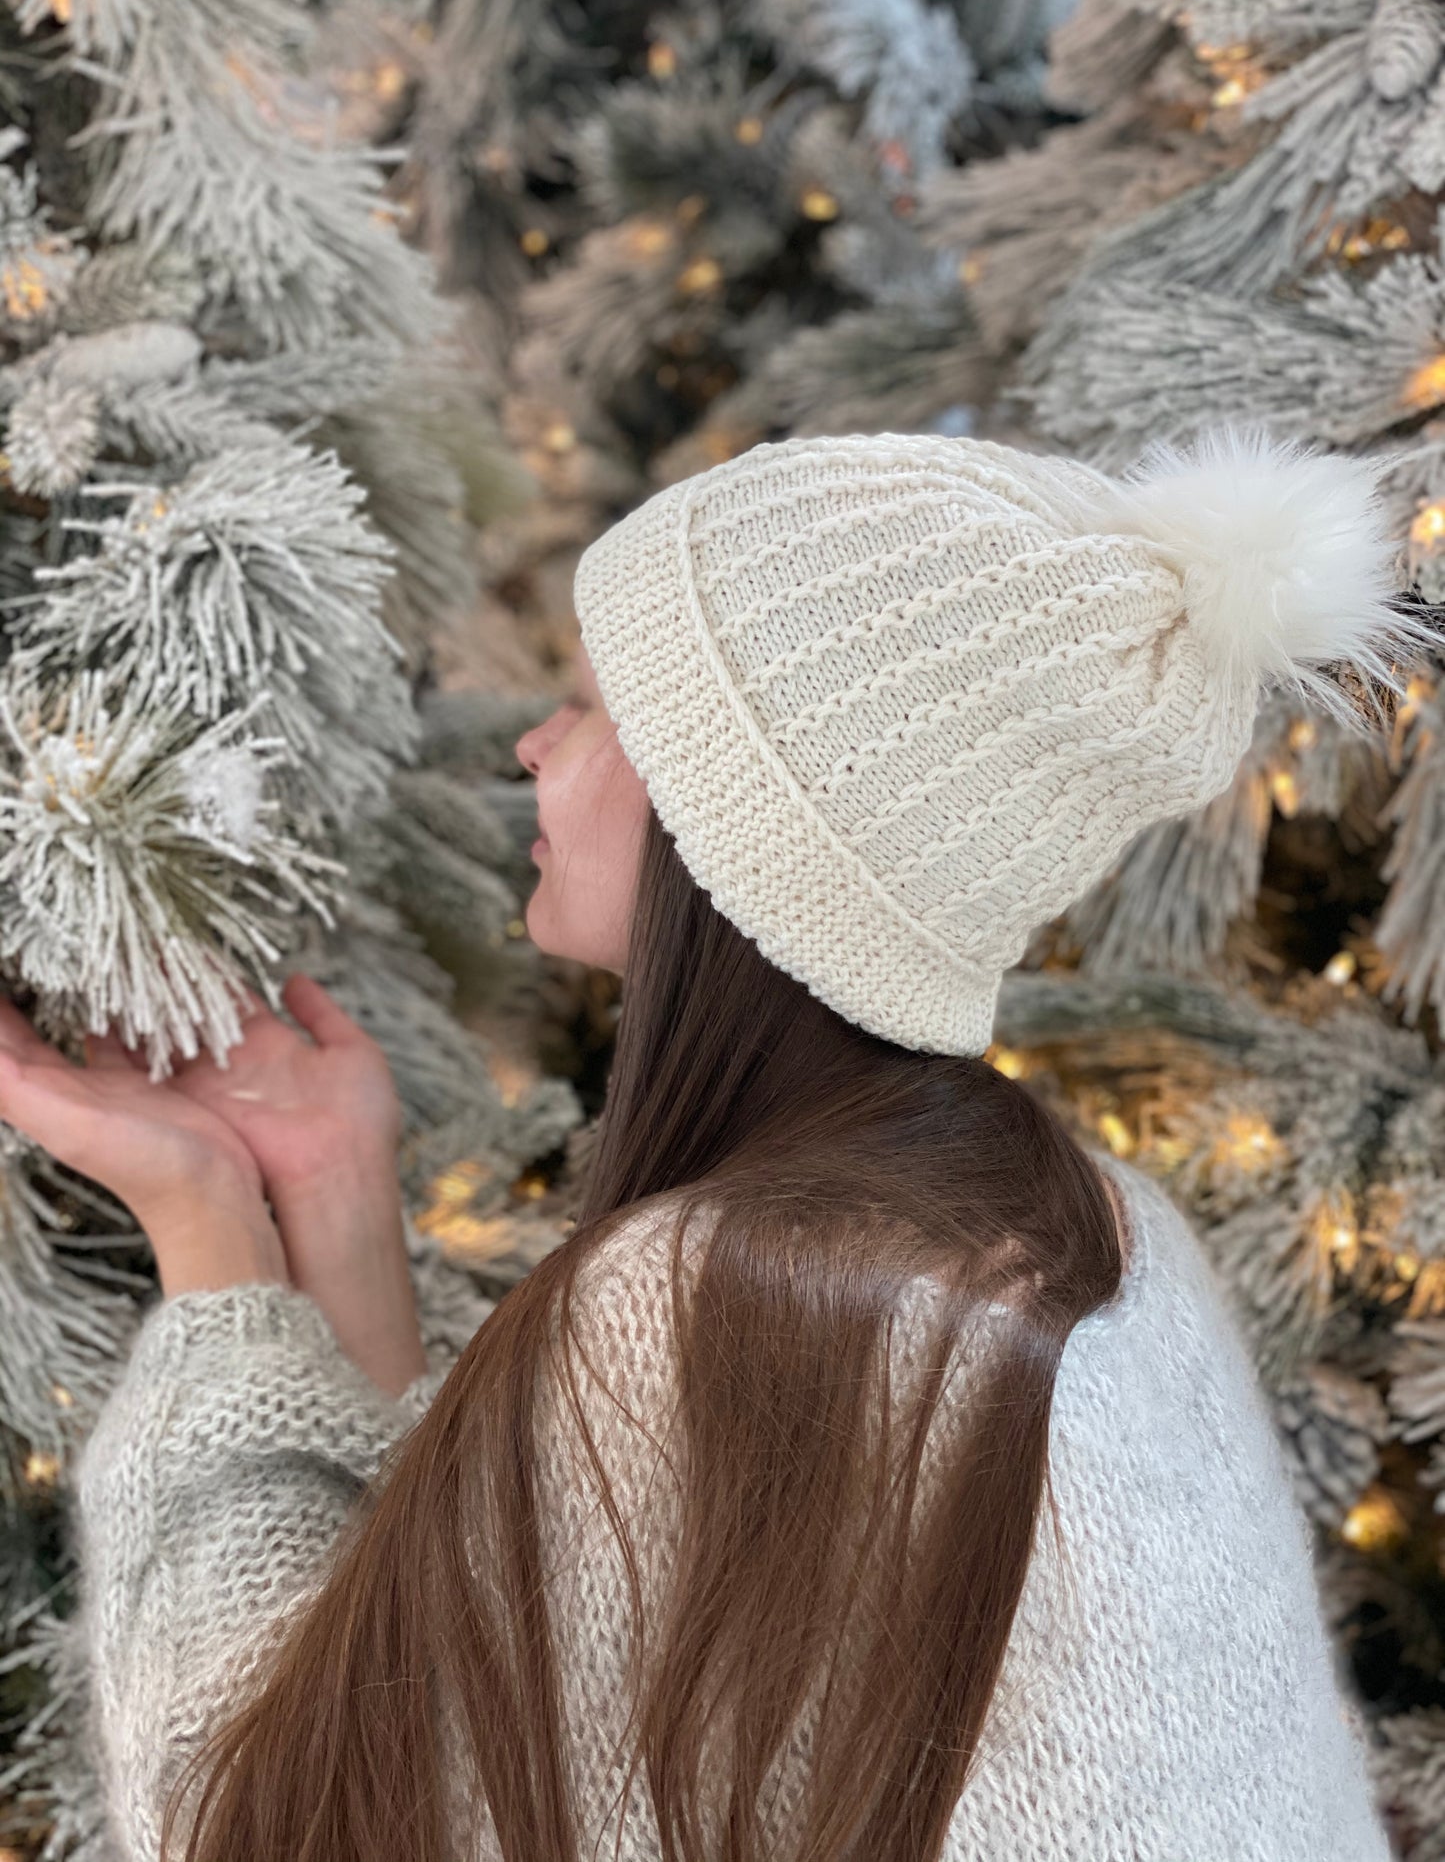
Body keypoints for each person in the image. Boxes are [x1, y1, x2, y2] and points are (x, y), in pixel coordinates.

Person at [0, 428, 1429, 1862]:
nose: (533, 746)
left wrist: (206, 1229)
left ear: (736, 812)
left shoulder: (731, 1308)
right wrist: (331, 1190)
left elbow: (265, 1825)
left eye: (590, 706)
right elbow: (443, 1676)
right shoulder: (1105, 1242)